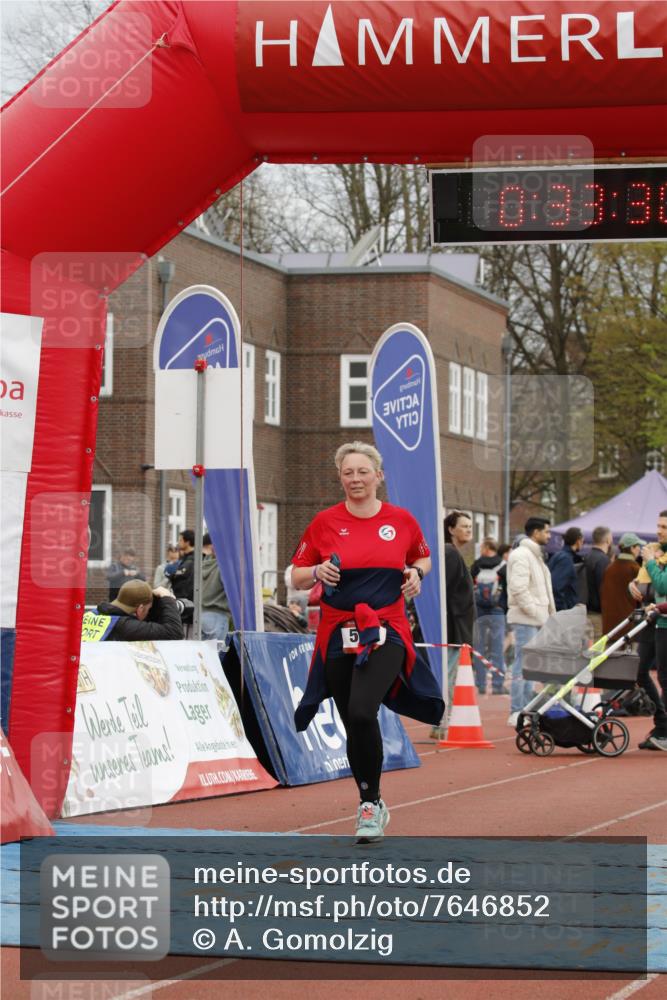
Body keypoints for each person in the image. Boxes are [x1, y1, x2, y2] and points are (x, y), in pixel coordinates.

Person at [290, 441, 444, 842]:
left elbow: (423, 557)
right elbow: (297, 574)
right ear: (340, 477)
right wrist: (317, 571)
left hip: (386, 627)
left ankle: (370, 806)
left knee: (362, 711)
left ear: (379, 476)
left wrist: (416, 573)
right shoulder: (324, 522)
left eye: (362, 472)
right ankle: (370, 799)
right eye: (348, 473)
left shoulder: (401, 520)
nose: (355, 479)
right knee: (351, 719)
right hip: (338, 630)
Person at [506, 517, 556, 726]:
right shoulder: (522, 555)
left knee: (529, 665)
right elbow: (518, 588)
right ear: (536, 532)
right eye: (546, 531)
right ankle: (517, 710)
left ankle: (524, 708)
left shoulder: (534, 556)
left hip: (535, 618)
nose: (549, 536)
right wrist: (534, 611)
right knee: (522, 665)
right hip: (527, 618)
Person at [633, 512, 667, 750]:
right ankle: (662, 724)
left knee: (665, 677)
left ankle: (664, 729)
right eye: (658, 526)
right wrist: (633, 585)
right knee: (640, 670)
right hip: (654, 618)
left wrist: (651, 562)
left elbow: (663, 585)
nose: (658, 530)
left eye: (664, 527)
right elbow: (648, 584)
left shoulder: (655, 557)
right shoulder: (656, 551)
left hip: (663, 620)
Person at [82, 580, 184, 641]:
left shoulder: (91, 614)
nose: (149, 612)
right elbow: (174, 632)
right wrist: (167, 598)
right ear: (140, 609)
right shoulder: (124, 626)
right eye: (148, 609)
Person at [470, 537, 506, 695]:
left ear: (485, 548)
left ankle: (481, 684)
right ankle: (497, 685)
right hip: (497, 610)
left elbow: (469, 584)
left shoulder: (476, 565)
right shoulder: (503, 565)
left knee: (479, 649)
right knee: (497, 648)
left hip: (479, 611)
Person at [600, 532, 645, 636]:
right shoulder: (635, 569)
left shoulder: (610, 568)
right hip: (627, 627)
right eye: (638, 546)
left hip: (609, 627)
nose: (640, 549)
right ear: (632, 548)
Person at [200, 533, 232, 641]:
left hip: (201, 616)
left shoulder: (204, 564)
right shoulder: (225, 567)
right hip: (218, 616)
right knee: (215, 651)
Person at [584, 525, 612, 637]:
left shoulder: (587, 556)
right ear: (608, 540)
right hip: (598, 613)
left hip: (587, 609)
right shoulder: (603, 560)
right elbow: (604, 588)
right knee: (597, 644)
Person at [548, 526, 584, 611]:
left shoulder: (560, 555)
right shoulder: (565, 559)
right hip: (564, 611)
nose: (583, 543)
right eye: (583, 541)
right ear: (578, 541)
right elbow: (556, 587)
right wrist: (563, 611)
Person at [166, 529, 195, 600]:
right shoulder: (184, 558)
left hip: (186, 598)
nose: (178, 543)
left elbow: (181, 572)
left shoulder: (192, 559)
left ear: (187, 542)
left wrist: (171, 573)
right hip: (180, 595)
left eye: (180, 540)